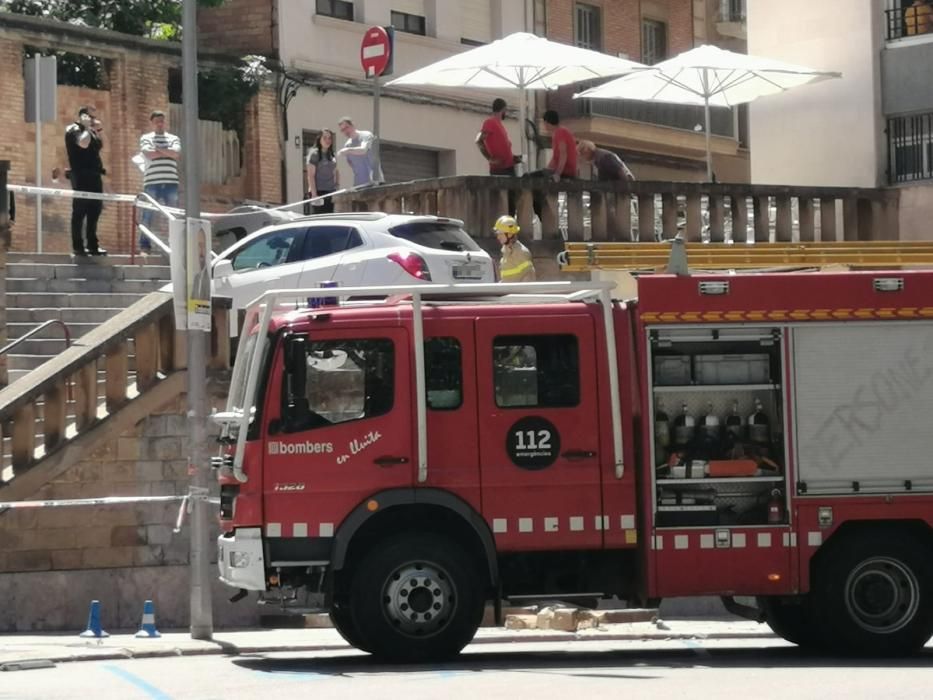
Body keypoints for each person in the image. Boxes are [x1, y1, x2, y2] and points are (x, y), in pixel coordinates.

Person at [64, 106, 107, 256]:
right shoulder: (73, 129)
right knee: (79, 212)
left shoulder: (91, 131)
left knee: (95, 211)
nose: (95, 120)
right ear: (84, 116)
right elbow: (83, 144)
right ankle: (78, 246)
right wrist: (87, 127)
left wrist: (96, 130)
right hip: (81, 176)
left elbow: (99, 147)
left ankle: (93, 245)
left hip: (95, 176)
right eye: (92, 117)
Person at [138, 110, 181, 253]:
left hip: (171, 182)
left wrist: (157, 149)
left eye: (162, 121)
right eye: (157, 121)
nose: (160, 124)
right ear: (152, 123)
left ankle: (175, 246)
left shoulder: (174, 138)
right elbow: (147, 154)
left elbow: (176, 154)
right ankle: (145, 246)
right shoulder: (145, 138)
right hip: (152, 182)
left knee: (173, 216)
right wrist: (166, 151)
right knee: (147, 214)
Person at [477, 98, 521, 214]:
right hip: (500, 169)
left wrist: (515, 158)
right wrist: (490, 158)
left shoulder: (500, 125)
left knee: (511, 203)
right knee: (502, 203)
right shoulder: (490, 122)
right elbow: (478, 140)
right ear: (503, 109)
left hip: (509, 167)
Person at [531, 109, 577, 220]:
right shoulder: (558, 133)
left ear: (547, 122)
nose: (544, 126)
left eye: (544, 123)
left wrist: (557, 174)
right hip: (564, 170)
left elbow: (563, 154)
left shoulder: (560, 132)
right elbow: (555, 158)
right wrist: (546, 169)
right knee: (536, 178)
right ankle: (541, 210)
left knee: (529, 177)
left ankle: (541, 212)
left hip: (566, 171)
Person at [337, 117, 382, 187]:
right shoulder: (347, 145)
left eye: (346, 127)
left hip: (375, 182)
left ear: (353, 125)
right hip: (359, 185)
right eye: (342, 130)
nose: (345, 131)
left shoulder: (366, 135)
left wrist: (348, 150)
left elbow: (363, 150)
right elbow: (351, 163)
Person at [306, 129, 339, 214]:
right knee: (319, 219)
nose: (328, 140)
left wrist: (337, 187)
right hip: (319, 192)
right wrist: (314, 194)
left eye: (329, 138)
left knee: (330, 219)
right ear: (319, 139)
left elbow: (335, 171)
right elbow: (310, 176)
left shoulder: (332, 155)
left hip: (331, 192)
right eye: (325, 138)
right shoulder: (314, 154)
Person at [494, 215, 535, 283]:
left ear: (509, 234)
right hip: (507, 292)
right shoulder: (505, 252)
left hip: (516, 293)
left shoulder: (521, 252)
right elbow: (508, 278)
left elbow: (529, 277)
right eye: (497, 234)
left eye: (500, 234)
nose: (498, 237)